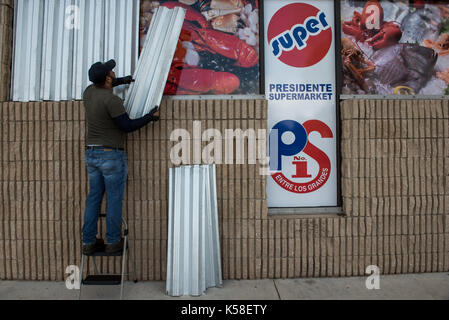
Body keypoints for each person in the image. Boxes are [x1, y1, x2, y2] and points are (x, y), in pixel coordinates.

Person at [82, 59, 160, 255]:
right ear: (108, 78)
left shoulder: (88, 93)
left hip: (91, 154)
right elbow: (127, 127)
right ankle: (113, 241)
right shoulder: (112, 101)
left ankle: (89, 242)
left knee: (94, 198)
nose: (114, 72)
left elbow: (104, 86)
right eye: (112, 72)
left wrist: (122, 81)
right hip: (111, 156)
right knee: (114, 199)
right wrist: (150, 117)